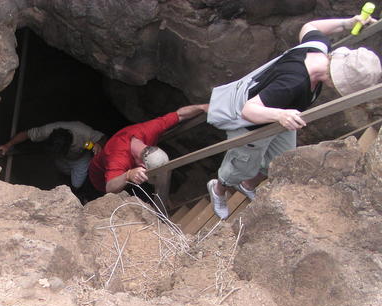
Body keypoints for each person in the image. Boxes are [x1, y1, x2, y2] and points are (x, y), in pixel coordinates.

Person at [207, 15, 382, 219]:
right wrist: (280, 114)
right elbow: (249, 110)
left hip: (281, 117)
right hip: (254, 123)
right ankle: (218, 189)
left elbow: (310, 26)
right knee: (240, 165)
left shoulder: (319, 49)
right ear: (336, 78)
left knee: (281, 159)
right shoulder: (293, 83)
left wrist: (347, 23)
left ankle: (247, 185)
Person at [86, 104, 208, 198]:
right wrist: (128, 175)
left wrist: (202, 107)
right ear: (142, 165)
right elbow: (110, 187)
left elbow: (180, 115)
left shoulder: (149, 131)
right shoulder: (118, 158)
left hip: (126, 169)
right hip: (99, 177)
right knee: (101, 196)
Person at [0, 121, 106, 197]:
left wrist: (98, 145)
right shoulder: (47, 131)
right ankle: (64, 178)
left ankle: (78, 192)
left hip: (80, 159)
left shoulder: (84, 134)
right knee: (61, 169)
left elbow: (103, 139)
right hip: (63, 159)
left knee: (77, 185)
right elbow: (26, 134)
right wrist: (7, 145)